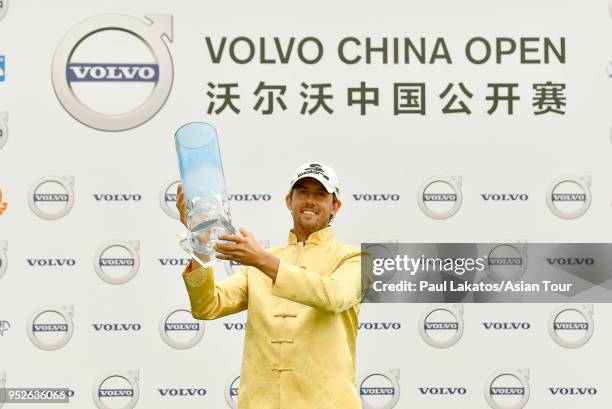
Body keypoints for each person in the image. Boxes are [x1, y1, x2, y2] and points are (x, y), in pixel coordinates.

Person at [177, 162, 369, 409]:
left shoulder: (357, 258)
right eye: (302, 192)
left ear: (335, 206)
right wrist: (200, 243)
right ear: (289, 201)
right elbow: (207, 306)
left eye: (320, 194)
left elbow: (333, 296)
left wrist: (262, 260)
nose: (310, 200)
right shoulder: (259, 261)